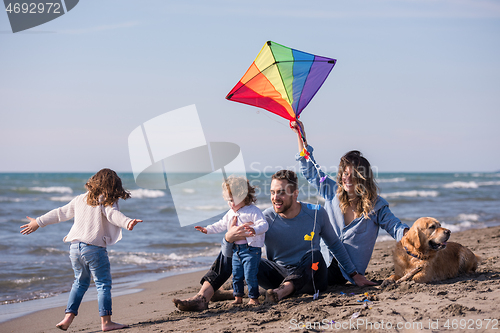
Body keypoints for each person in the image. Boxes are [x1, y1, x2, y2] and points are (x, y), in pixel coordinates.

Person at [173, 170, 374, 311]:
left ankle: (282, 291)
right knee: (239, 252)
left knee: (314, 255)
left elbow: (335, 245)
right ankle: (203, 297)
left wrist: (354, 274)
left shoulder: (316, 214)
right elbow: (234, 254)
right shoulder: (264, 218)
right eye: (272, 192)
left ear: (295, 194)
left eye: (281, 192)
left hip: (311, 277)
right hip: (277, 276)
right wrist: (228, 238)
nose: (275, 197)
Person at [20, 168, 143, 332]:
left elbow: (60, 213)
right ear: (113, 186)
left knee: (79, 283)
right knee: (103, 284)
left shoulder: (79, 199)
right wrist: (127, 222)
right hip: (94, 249)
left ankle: (67, 318)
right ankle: (106, 322)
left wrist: (38, 222)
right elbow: (113, 215)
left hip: (75, 248)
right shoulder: (105, 200)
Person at [291, 120, 409, 286]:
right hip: (322, 259)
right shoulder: (332, 191)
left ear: (363, 177)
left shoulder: (377, 206)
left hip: (345, 272)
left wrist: (415, 236)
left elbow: (395, 228)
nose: (347, 178)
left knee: (306, 276)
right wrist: (300, 135)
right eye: (345, 173)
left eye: (354, 174)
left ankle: (284, 286)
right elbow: (310, 170)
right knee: (295, 266)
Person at [194, 176, 268, 305]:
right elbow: (221, 224)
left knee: (250, 275)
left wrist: (255, 229)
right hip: (236, 251)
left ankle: (253, 299)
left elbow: (264, 225)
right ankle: (238, 298)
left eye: (233, 200)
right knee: (236, 275)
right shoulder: (230, 213)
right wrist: (207, 229)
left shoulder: (253, 211)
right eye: (228, 200)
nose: (230, 203)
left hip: (251, 250)